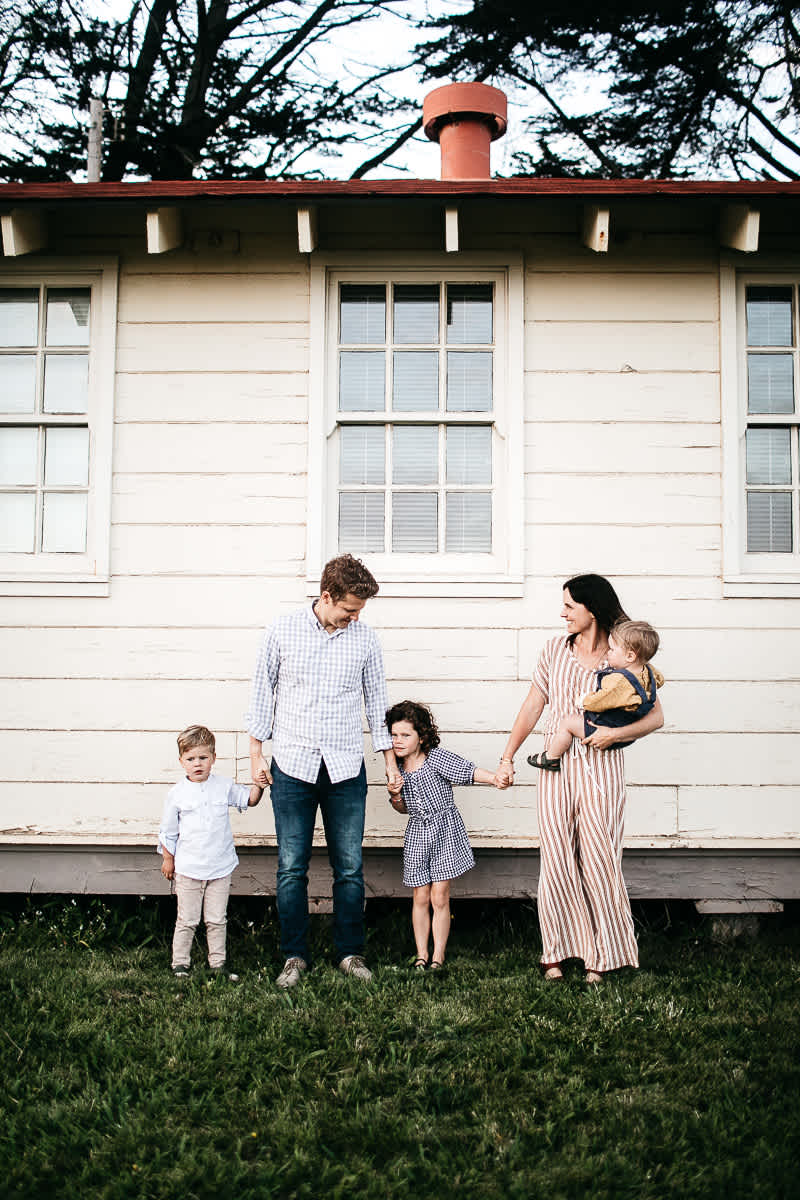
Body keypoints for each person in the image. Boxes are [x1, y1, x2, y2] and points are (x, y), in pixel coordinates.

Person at [496, 576, 664, 984]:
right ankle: (555, 951)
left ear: (593, 609)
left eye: (570, 606)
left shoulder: (623, 655)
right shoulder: (555, 650)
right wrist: (507, 756)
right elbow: (533, 705)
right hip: (557, 770)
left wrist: (615, 734)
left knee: (599, 858)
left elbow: (656, 716)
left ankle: (602, 955)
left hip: (601, 768)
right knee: (555, 856)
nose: (563, 613)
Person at [247, 554, 400, 989]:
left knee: (349, 867)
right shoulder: (282, 631)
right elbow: (262, 695)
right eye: (350, 609)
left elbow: (376, 703)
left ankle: (350, 953)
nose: (355, 617)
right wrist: (256, 755)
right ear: (327, 596)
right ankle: (294, 956)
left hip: (345, 767)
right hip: (292, 766)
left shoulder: (365, 639)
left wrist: (389, 762)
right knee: (291, 867)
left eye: (360, 612)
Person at [386, 700, 498, 971]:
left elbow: (467, 771)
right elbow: (402, 809)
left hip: (444, 831)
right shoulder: (397, 768)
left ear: (421, 736)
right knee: (420, 896)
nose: (398, 741)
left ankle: (439, 956)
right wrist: (395, 794)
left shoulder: (436, 759)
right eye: (394, 735)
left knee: (439, 896)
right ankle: (421, 954)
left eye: (405, 735)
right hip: (417, 834)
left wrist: (495, 779)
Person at [159, 724, 263, 981]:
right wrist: (168, 859)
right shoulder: (177, 794)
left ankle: (218, 963)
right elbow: (168, 831)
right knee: (187, 919)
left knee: (217, 919)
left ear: (213, 759)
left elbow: (248, 799)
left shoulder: (223, 786)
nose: (197, 764)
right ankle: (180, 964)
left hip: (219, 866)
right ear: (181, 761)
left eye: (203, 758)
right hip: (188, 868)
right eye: (191, 759)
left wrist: (260, 784)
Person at [528, 619, 664, 772]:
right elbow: (660, 681)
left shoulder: (618, 680)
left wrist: (584, 701)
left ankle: (551, 757)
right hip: (627, 733)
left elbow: (602, 700)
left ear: (630, 656)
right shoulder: (649, 673)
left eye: (612, 650)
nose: (608, 653)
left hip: (604, 728)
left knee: (568, 723)